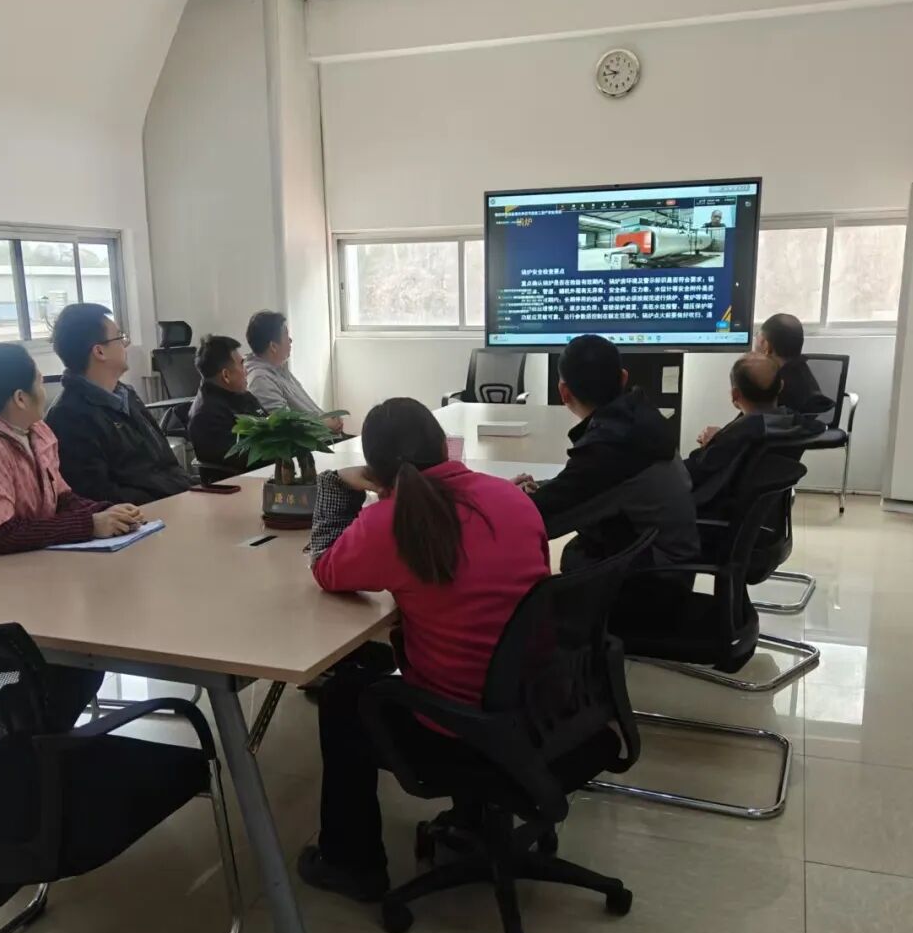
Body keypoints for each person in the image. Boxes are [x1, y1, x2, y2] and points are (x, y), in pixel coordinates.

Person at [297, 397, 550, 901]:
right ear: (443, 444)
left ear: (375, 469)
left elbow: (325, 568)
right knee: (395, 661)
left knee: (343, 696)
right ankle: (472, 813)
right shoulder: (510, 497)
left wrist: (336, 486)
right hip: (542, 699)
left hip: (461, 723)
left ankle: (352, 863)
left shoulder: (391, 523)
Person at [0, 342, 144, 729]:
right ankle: (23, 729)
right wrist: (90, 525)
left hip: (22, 579)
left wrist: (106, 511)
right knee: (79, 653)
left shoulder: (35, 431)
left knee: (87, 649)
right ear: (20, 397)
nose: (46, 388)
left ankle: (31, 731)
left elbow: (61, 497)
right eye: (40, 381)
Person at [513, 335, 699, 572]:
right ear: (623, 378)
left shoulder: (611, 446)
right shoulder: (639, 415)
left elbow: (538, 518)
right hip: (669, 555)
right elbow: (587, 487)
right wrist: (541, 488)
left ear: (564, 392)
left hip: (653, 574)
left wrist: (505, 495)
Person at [46, 303, 194, 504]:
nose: (126, 344)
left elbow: (166, 462)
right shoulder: (69, 416)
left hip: (177, 498)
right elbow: (98, 496)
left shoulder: (126, 394)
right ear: (99, 351)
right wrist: (168, 499)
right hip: (148, 513)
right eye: (120, 337)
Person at [686, 353, 825, 497]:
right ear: (781, 386)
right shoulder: (795, 425)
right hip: (762, 508)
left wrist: (713, 445)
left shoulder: (737, 436)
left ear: (735, 395)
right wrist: (720, 439)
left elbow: (690, 475)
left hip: (718, 507)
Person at [244, 311, 344, 434]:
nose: (290, 340)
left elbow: (306, 411)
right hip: (313, 441)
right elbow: (284, 424)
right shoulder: (260, 380)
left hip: (324, 435)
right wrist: (324, 425)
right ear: (273, 346)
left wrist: (327, 420)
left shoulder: (279, 369)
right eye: (286, 335)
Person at [187, 334, 268, 476]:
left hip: (269, 471)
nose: (246, 370)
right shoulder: (206, 416)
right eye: (241, 364)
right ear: (226, 375)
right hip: (245, 481)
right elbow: (243, 458)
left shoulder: (242, 395)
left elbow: (269, 425)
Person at [754, 312, 832, 415]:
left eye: (757, 336)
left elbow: (748, 421)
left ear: (766, 346)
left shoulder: (774, 387)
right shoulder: (803, 374)